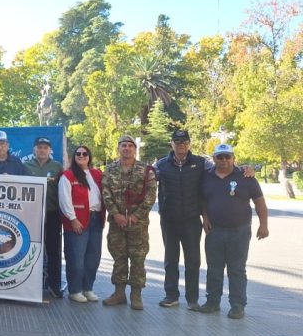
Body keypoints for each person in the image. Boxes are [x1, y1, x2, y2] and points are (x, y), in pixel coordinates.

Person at [155, 129, 253, 310]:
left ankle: (192, 299)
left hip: (192, 219)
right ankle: (171, 295)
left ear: (189, 144)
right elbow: (146, 177)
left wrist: (243, 169)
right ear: (172, 144)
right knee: (171, 259)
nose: (181, 144)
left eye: (184, 141)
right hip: (169, 220)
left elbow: (223, 167)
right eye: (177, 141)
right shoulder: (161, 164)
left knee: (193, 260)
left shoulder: (201, 163)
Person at [194, 143, 269, 319]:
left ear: (234, 158)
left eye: (228, 156)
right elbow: (203, 200)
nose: (224, 160)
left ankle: (237, 305)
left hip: (239, 230)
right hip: (215, 231)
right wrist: (205, 217)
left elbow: (259, 202)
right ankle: (212, 302)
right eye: (220, 157)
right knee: (214, 269)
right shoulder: (206, 176)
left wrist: (263, 224)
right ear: (214, 159)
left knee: (236, 269)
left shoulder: (246, 176)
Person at [101, 135, 157, 311]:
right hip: (117, 222)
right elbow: (105, 192)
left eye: (130, 145)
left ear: (135, 149)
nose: (126, 148)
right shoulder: (110, 169)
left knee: (138, 258)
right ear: (118, 148)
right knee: (119, 257)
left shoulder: (145, 170)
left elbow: (151, 194)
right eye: (123, 145)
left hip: (138, 223)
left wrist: (137, 215)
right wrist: (116, 214)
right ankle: (119, 293)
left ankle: (136, 294)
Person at [58, 146, 105, 303]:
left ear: (89, 156)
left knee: (93, 258)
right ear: (74, 156)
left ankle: (87, 288)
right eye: (78, 153)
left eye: (85, 153)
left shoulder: (97, 174)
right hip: (77, 221)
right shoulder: (68, 175)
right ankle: (75, 290)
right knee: (76, 258)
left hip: (95, 219)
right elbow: (64, 199)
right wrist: (72, 218)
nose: (81, 156)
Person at [23, 136, 65, 299]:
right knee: (31, 249)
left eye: (45, 147)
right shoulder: (25, 166)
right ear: (34, 149)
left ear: (50, 150)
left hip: (53, 213)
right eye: (39, 147)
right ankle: (28, 284)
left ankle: (54, 285)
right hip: (31, 214)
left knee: (53, 250)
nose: (42, 150)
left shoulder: (57, 167)